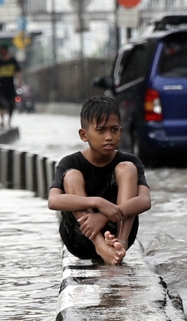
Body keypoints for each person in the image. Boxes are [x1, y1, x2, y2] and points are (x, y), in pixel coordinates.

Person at [48, 96, 152, 265]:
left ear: (121, 131)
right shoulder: (70, 162)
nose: (109, 136)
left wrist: (104, 217)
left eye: (114, 130)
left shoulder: (131, 161)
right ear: (84, 135)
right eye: (101, 130)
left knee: (127, 168)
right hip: (80, 237)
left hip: (119, 232)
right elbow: (53, 201)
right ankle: (101, 246)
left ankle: (120, 243)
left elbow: (145, 201)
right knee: (72, 175)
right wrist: (98, 202)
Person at [0, 42, 22, 128]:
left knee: (11, 103)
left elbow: (18, 72)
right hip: (0, 86)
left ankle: (9, 121)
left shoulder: (13, 61)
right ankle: (2, 120)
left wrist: (20, 82)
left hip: (10, 85)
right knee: (1, 103)